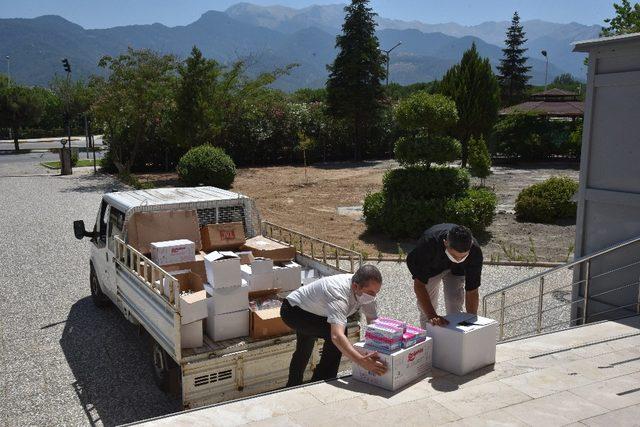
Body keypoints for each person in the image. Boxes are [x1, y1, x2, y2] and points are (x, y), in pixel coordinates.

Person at [280, 264, 387, 387]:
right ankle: (321, 382)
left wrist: (381, 349)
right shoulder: (338, 294)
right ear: (355, 286)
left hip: (313, 310)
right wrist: (362, 362)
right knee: (338, 335)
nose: (373, 297)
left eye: (376, 292)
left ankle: (292, 385)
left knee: (304, 349)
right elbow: (337, 336)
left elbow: (373, 323)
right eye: (370, 292)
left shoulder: (365, 292)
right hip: (293, 311)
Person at [406, 223, 483, 328]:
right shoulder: (427, 244)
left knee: (454, 302)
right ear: (446, 243)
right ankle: (428, 338)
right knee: (427, 310)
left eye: (463, 256)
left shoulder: (475, 251)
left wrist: (472, 321)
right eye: (454, 255)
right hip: (431, 270)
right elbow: (419, 285)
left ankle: (455, 336)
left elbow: (472, 290)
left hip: (457, 271)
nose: (458, 260)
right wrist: (432, 315)